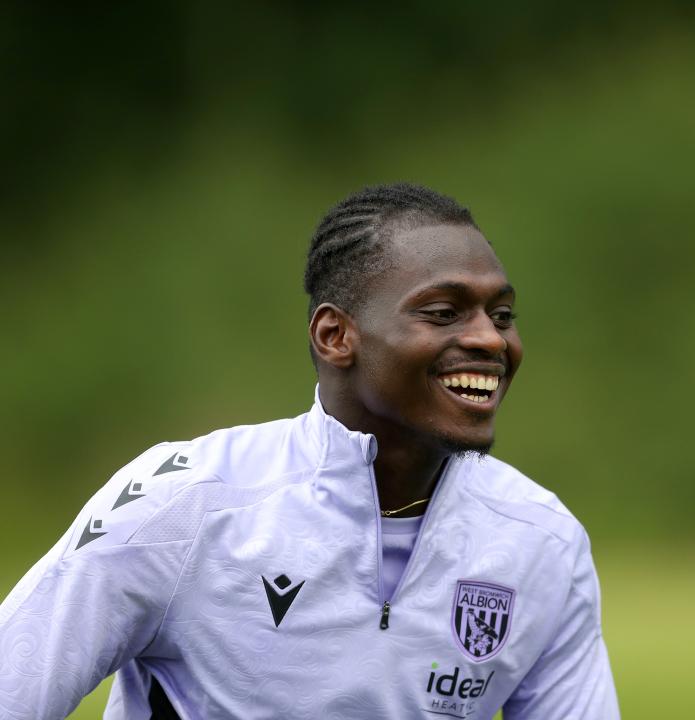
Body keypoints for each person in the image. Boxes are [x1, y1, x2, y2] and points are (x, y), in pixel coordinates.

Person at [0, 183, 619, 719]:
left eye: (502, 314)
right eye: (444, 312)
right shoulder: (184, 503)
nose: (489, 338)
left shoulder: (543, 542)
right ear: (335, 336)